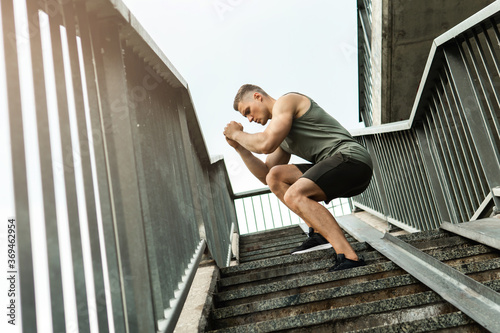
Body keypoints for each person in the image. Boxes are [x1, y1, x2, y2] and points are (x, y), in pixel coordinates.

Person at [223, 84, 373, 271]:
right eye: (246, 117)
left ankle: (349, 257)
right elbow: (267, 174)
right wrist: (239, 146)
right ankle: (318, 233)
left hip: (351, 159)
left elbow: (265, 144)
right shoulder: (282, 136)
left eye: (248, 111)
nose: (250, 119)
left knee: (294, 194)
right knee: (276, 176)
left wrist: (237, 133)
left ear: (257, 96)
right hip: (337, 167)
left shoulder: (287, 102)